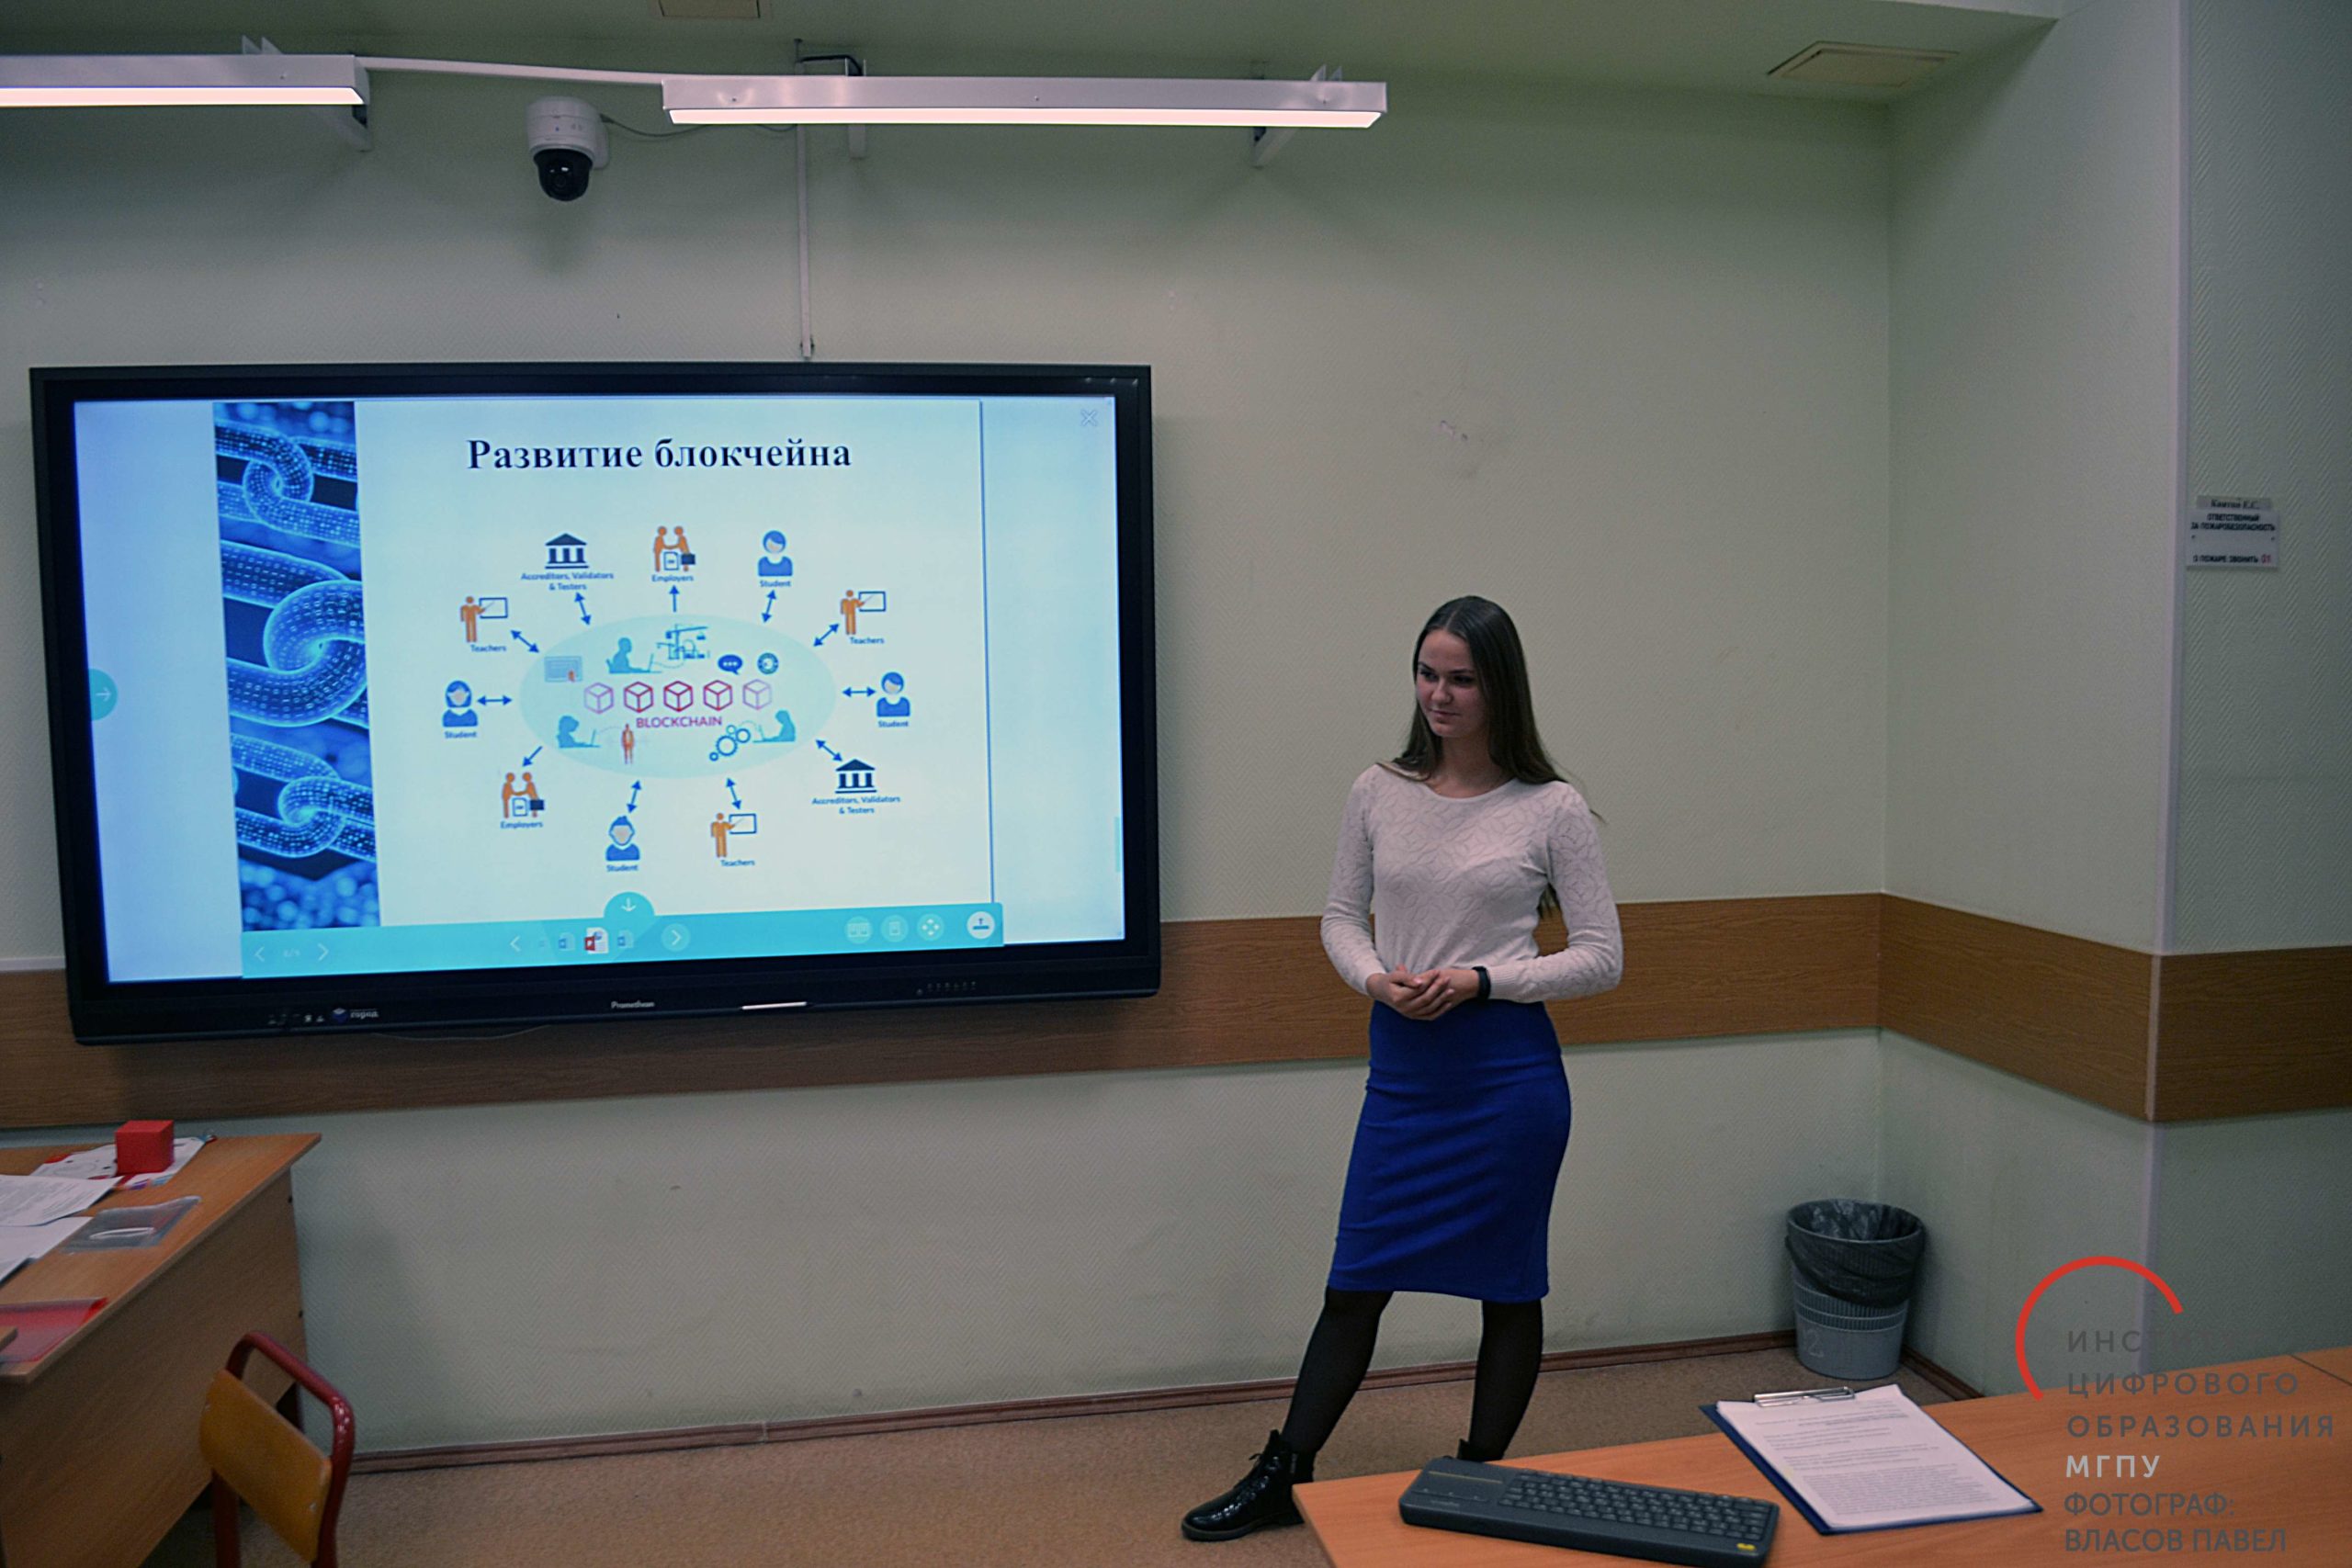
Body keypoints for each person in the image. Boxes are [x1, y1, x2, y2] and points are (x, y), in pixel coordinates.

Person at [1181, 595, 1623, 1543]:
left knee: (1509, 1286)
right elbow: (1341, 917)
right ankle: (1283, 1471)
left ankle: (1479, 1478)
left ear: (1500, 687)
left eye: (1461, 678)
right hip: (1406, 1072)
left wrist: (1483, 979)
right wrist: (1376, 979)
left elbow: (1600, 957)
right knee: (1355, 1281)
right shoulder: (1377, 790)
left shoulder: (1551, 807)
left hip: (1507, 1078)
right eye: (1427, 673)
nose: (1439, 694)